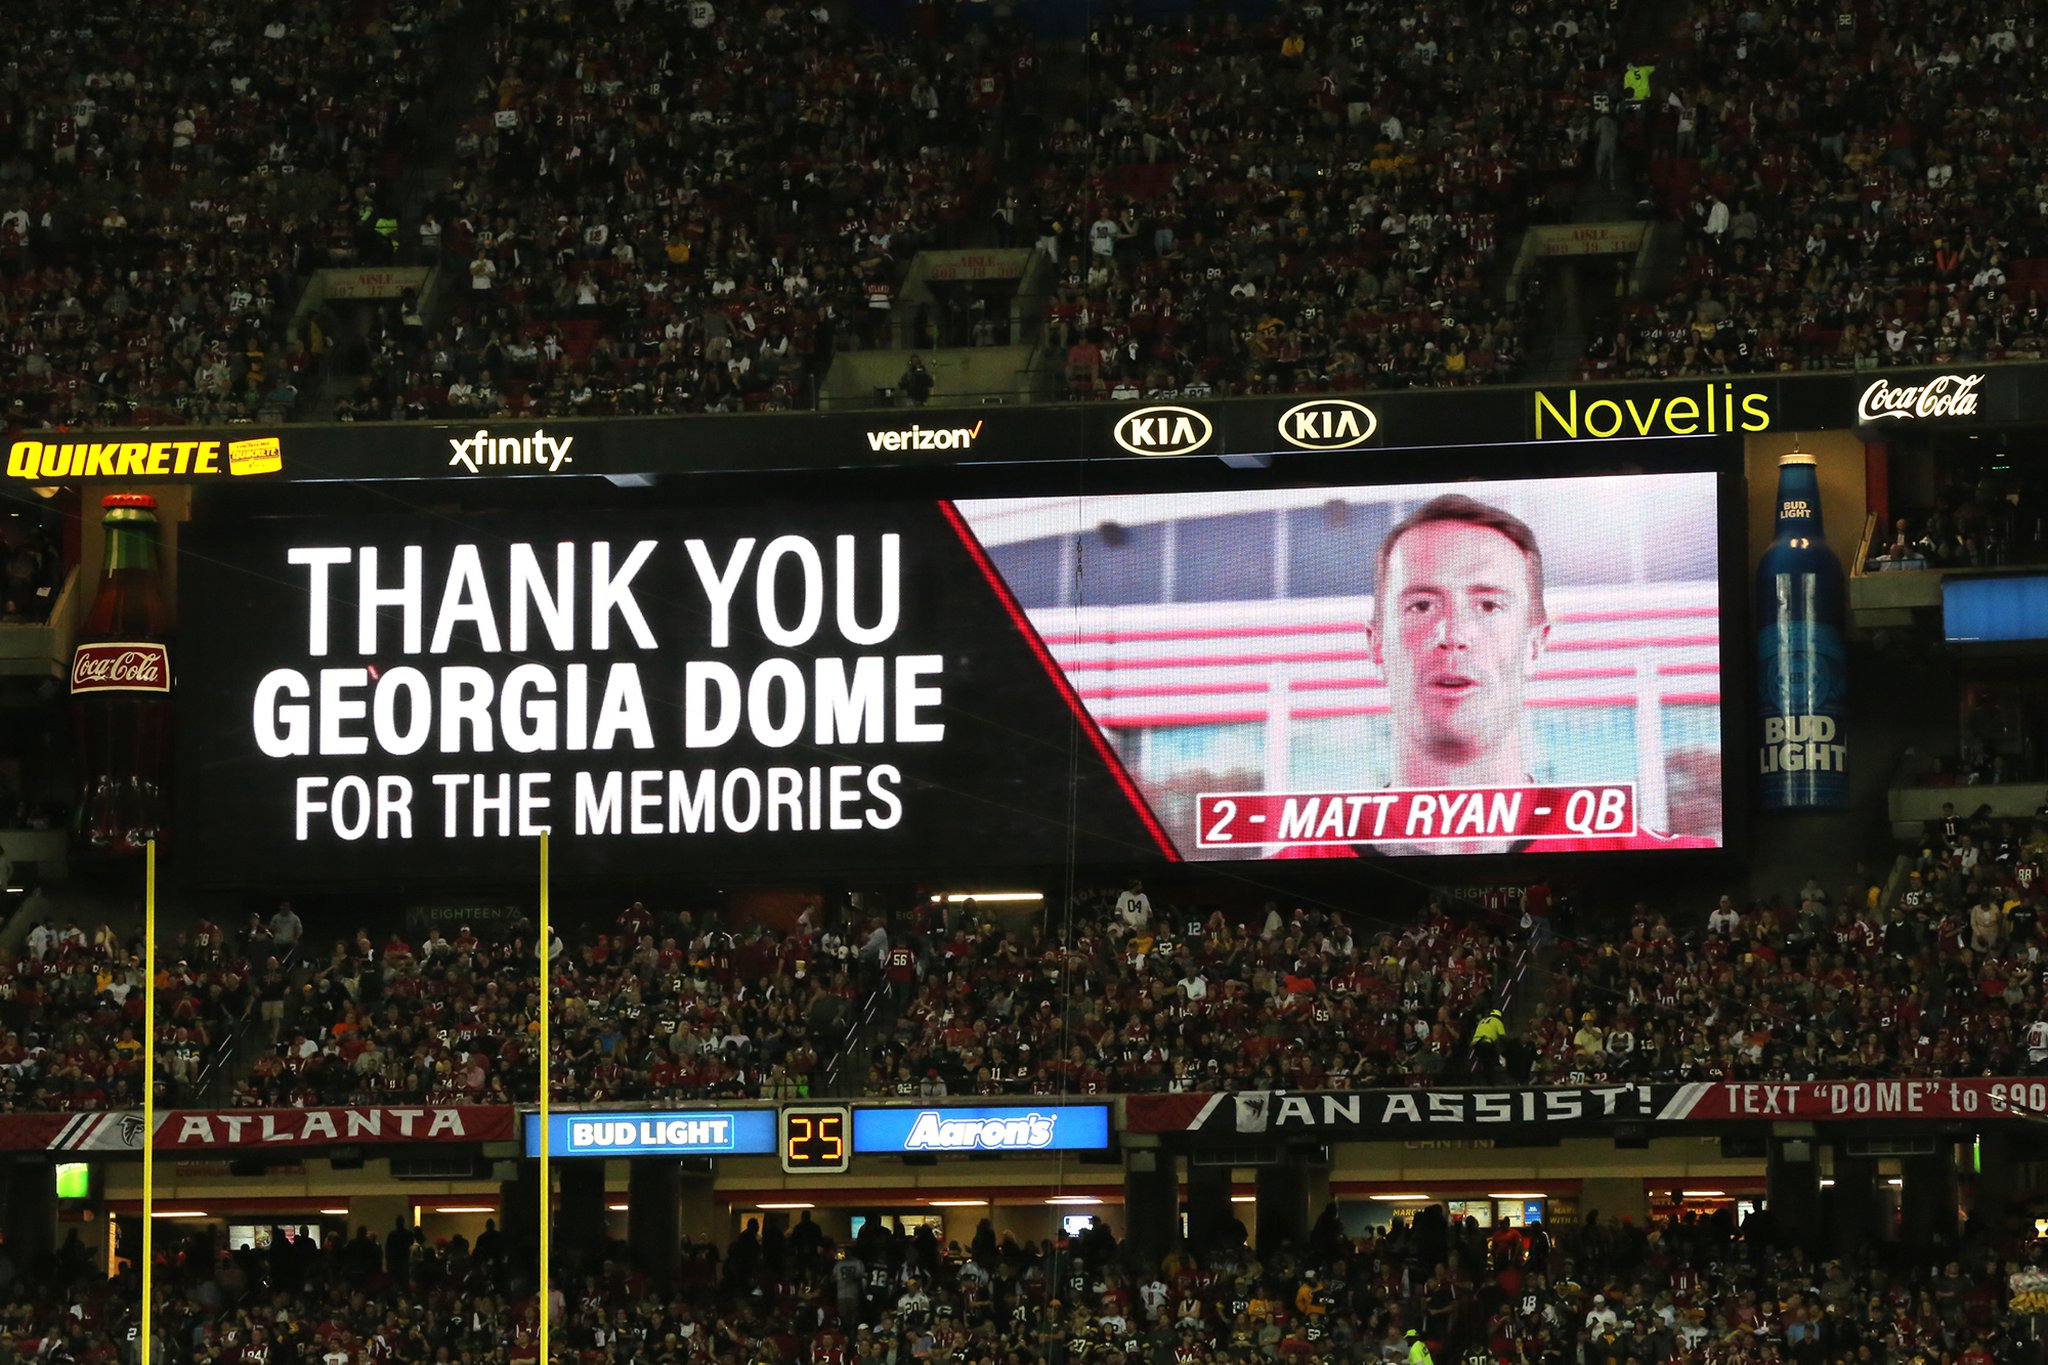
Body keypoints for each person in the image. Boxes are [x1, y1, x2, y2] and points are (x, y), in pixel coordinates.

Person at [1275, 495, 1714, 855]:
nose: (1452, 635)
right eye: (1421, 605)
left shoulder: (1640, 858)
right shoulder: (1292, 866)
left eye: (1488, 606)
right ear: (1377, 644)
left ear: (1535, 643)